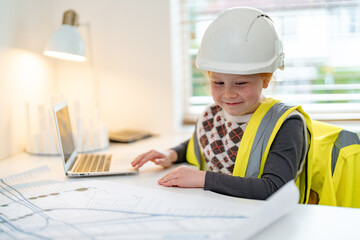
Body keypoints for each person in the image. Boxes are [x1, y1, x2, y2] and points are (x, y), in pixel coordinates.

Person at [131, 7, 314, 202]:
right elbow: (201, 144)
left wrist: (203, 179)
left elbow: (274, 188)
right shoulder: (212, 114)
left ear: (266, 79)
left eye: (241, 83)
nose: (228, 94)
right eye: (218, 83)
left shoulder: (285, 125)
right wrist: (171, 154)